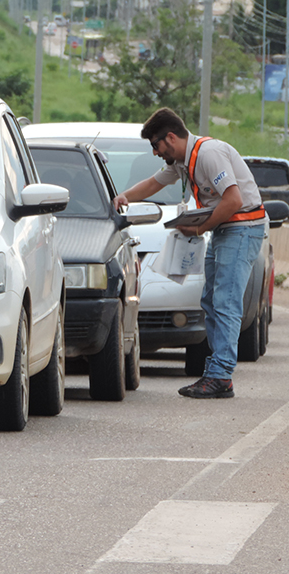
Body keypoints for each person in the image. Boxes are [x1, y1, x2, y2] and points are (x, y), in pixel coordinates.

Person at [113, 108, 267, 399]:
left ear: (170, 138)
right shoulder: (183, 161)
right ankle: (216, 373)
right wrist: (124, 197)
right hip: (224, 229)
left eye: (155, 145)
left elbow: (233, 199)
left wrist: (199, 228)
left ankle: (221, 375)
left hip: (242, 227)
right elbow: (154, 183)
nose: (156, 152)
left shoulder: (208, 154)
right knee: (211, 300)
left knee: (226, 301)